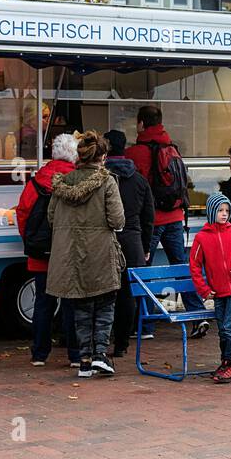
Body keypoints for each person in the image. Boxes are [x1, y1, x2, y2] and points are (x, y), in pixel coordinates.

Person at [47, 131, 127, 379]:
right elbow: (117, 219)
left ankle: (83, 360)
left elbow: (51, 217)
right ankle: (100, 355)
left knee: (81, 307)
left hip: (70, 254)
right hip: (100, 251)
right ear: (102, 157)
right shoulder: (107, 182)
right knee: (104, 304)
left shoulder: (62, 183)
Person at [124, 105, 207, 336]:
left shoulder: (135, 153)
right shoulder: (172, 147)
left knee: (143, 271)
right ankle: (198, 315)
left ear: (141, 124)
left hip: (152, 221)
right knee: (181, 266)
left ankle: (146, 325)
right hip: (176, 217)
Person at [16, 132, 81, 368]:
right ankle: (74, 354)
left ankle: (39, 354)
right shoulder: (76, 181)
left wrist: (31, 240)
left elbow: (22, 213)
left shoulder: (36, 181)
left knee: (43, 303)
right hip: (69, 253)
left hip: (40, 254)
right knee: (71, 303)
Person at [189, 192, 231, 385]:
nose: (224, 214)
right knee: (223, 329)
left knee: (228, 326)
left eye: (227, 210)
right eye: (220, 210)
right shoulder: (201, 237)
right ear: (211, 212)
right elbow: (194, 266)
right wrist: (204, 290)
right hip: (217, 292)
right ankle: (226, 362)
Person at [104, 129, 155, 359]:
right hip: (132, 242)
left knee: (104, 294)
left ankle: (100, 342)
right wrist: (144, 247)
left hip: (106, 241)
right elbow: (149, 217)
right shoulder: (139, 179)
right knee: (127, 295)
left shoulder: (102, 177)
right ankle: (122, 343)